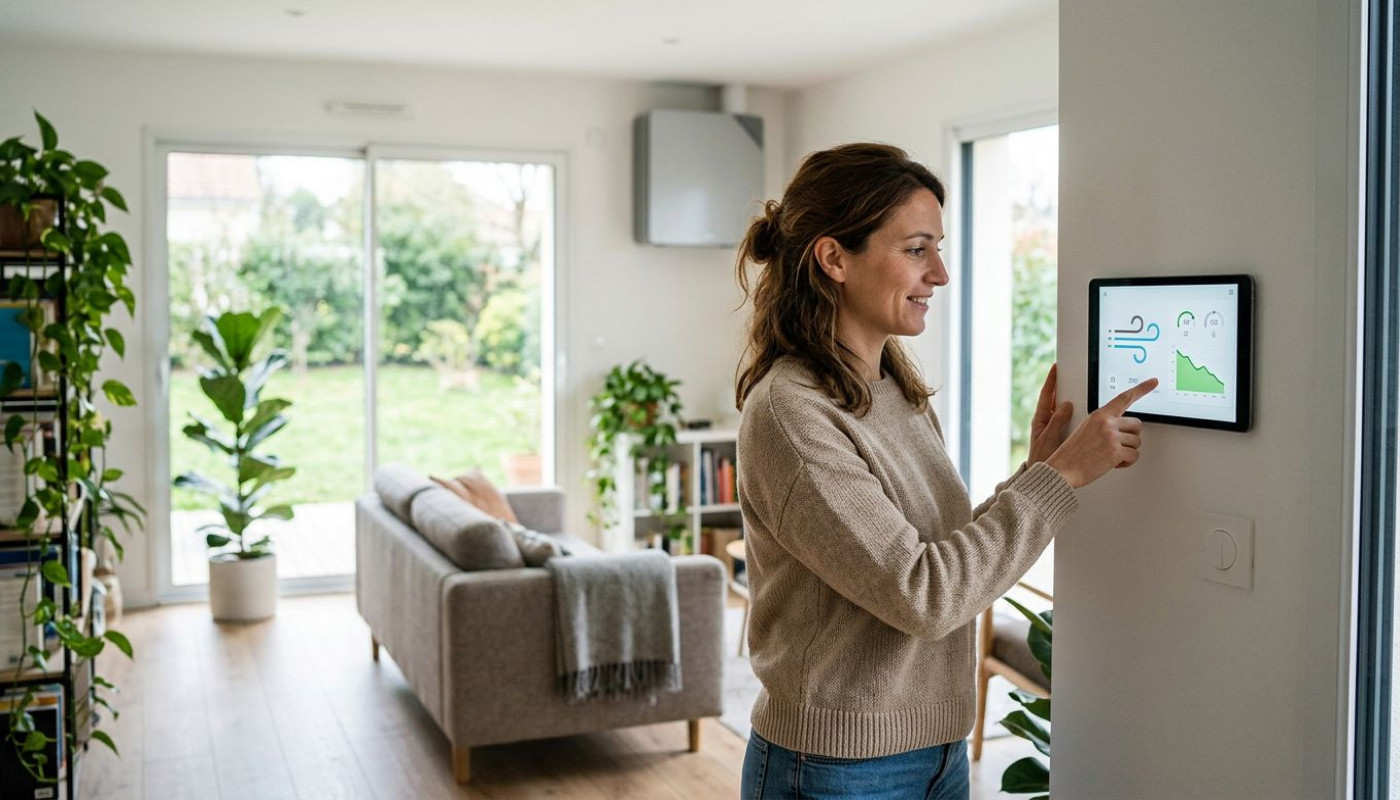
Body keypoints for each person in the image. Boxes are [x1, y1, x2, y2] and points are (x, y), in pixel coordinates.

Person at [732, 143, 1157, 800]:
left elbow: (935, 557)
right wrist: (1059, 480)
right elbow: (924, 596)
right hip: (836, 769)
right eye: (916, 249)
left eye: (938, 248)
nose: (941, 274)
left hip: (936, 752)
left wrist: (1037, 470)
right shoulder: (792, 413)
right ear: (834, 257)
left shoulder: (893, 386)